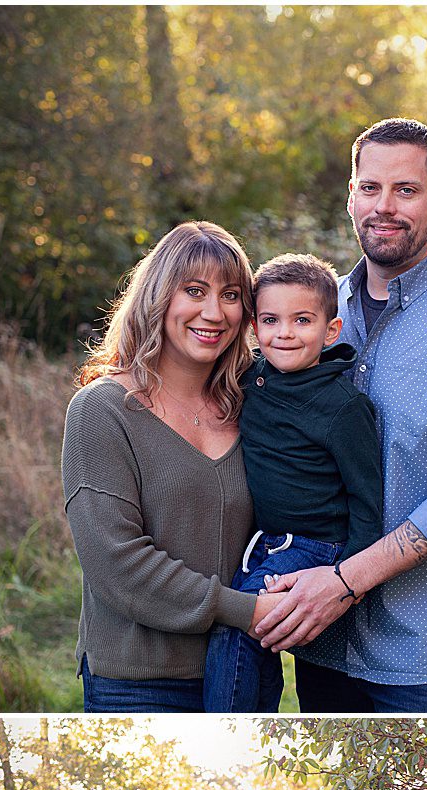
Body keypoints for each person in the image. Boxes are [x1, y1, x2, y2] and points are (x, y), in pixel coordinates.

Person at [251, 116, 427, 712]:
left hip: (425, 647)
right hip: (322, 641)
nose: (384, 206)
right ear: (351, 196)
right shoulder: (312, 314)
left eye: (406, 190)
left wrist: (347, 581)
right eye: (370, 188)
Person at [63, 221, 289, 712]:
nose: (213, 312)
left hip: (242, 667)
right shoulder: (101, 410)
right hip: (140, 680)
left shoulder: (252, 405)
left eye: (231, 294)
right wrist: (248, 612)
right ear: (158, 296)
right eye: (194, 291)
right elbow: (118, 564)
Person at [201, 252, 385, 712]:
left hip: (313, 547)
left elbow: (366, 500)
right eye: (270, 320)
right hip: (264, 544)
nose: (284, 333)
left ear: (331, 331)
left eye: (302, 321)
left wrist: (348, 581)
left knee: (238, 626)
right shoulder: (250, 379)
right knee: (259, 643)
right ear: (254, 327)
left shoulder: (343, 407)